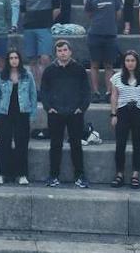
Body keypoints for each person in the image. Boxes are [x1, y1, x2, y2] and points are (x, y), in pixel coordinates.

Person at [41, 40, 91, 188]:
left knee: (76, 145)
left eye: (65, 50)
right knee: (55, 144)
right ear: (56, 53)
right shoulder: (49, 70)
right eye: (59, 51)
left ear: (70, 52)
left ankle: (80, 176)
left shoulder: (79, 69)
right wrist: (48, 107)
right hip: (55, 113)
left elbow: (86, 91)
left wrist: (81, 108)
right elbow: (44, 91)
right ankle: (53, 175)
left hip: (75, 113)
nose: (62, 53)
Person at [109, 50, 140, 188]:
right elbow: (114, 96)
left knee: (137, 144)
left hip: (139, 111)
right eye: (127, 60)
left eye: (132, 60)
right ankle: (119, 174)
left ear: (137, 62)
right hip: (123, 112)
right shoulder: (116, 77)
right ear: (124, 62)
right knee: (120, 144)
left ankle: (135, 174)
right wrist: (113, 114)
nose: (130, 63)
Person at [83, 0, 123, 101]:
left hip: (110, 36)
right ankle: (95, 92)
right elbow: (89, 15)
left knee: (109, 65)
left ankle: (109, 92)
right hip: (94, 35)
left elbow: (118, 14)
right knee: (94, 65)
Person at [17, 0, 59, 83]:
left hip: (44, 27)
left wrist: (47, 20)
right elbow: (23, 11)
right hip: (29, 28)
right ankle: (37, 86)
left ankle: (46, 84)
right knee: (32, 60)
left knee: (45, 58)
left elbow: (57, 8)